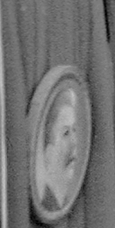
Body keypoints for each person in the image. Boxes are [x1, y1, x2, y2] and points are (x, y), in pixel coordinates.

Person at [37, 86, 82, 214]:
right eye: (66, 133)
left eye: (75, 130)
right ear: (48, 154)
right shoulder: (47, 208)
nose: (74, 142)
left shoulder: (64, 206)